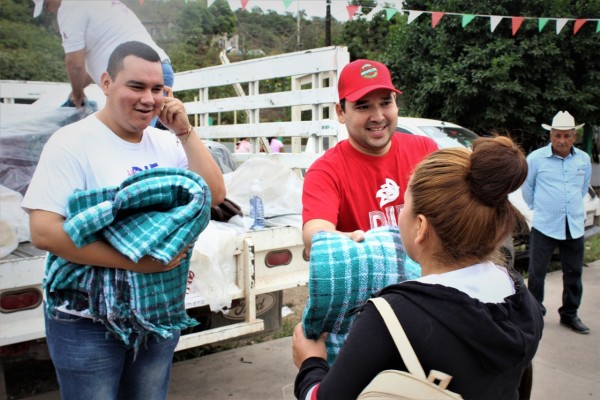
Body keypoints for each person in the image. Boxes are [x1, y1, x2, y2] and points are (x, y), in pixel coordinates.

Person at [22, 41, 225, 400]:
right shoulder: (71, 143)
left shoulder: (166, 145)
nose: (149, 99)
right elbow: (44, 231)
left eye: (158, 89)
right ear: (106, 82)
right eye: (136, 86)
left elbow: (215, 194)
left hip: (157, 314)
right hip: (86, 320)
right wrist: (136, 261)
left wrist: (184, 132)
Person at [293, 136, 544, 399]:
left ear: (421, 227)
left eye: (405, 205)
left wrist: (310, 363)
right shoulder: (520, 296)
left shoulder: (390, 317)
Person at [301, 59, 438, 256]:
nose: (378, 116)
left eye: (385, 103)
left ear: (395, 103)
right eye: (363, 107)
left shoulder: (425, 150)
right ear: (341, 112)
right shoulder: (325, 171)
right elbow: (314, 233)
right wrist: (341, 241)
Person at [32, 0, 173, 126]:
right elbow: (93, 68)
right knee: (141, 140)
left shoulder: (69, 8)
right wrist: (78, 90)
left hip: (137, 79)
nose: (49, 11)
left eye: (46, 5)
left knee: (135, 140)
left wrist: (77, 96)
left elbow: (75, 64)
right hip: (159, 69)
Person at [522, 110, 592, 334]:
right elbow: (527, 188)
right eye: (557, 135)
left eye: (567, 136)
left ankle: (570, 315)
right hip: (545, 225)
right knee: (536, 274)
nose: (562, 140)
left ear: (575, 136)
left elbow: (582, 189)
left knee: (573, 274)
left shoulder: (583, 159)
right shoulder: (536, 159)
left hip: (573, 226)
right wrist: (539, 208)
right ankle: (535, 315)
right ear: (550, 135)